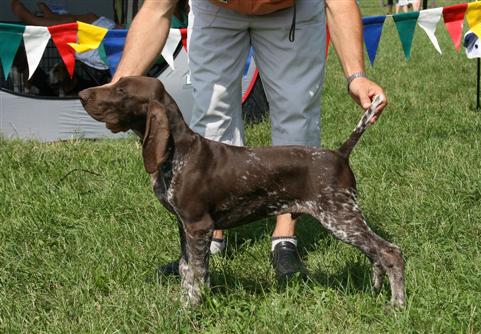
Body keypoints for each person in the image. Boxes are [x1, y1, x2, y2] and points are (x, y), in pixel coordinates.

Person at [111, 0, 387, 280]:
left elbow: (339, 2)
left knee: (296, 113)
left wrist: (356, 76)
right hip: (216, 8)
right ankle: (210, 233)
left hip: (292, 10)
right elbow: (156, 9)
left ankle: (285, 238)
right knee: (211, 113)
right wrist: (116, 90)